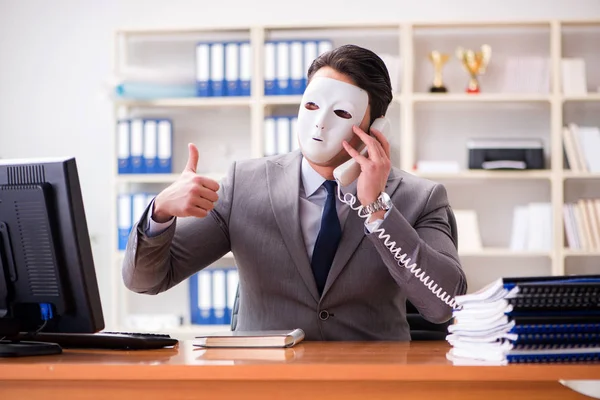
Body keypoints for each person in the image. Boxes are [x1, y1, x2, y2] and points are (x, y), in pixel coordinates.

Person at [122, 44, 467, 341]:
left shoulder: (421, 198)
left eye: (342, 112)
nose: (319, 123)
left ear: (374, 130)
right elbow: (145, 281)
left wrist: (377, 209)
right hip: (266, 382)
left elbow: (443, 305)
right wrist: (161, 212)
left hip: (369, 381)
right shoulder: (244, 183)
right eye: (312, 106)